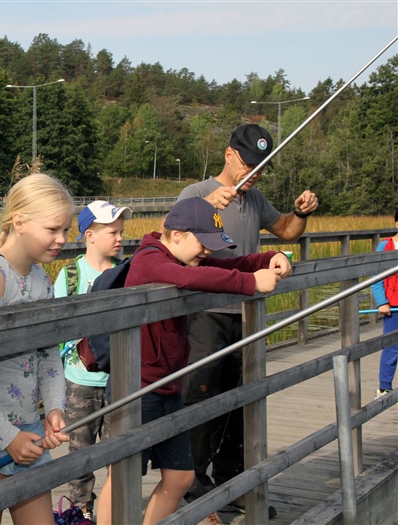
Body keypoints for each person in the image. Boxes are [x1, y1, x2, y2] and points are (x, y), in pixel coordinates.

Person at [95, 197, 291, 525]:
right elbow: (189, 279)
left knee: (181, 477)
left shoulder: (184, 258)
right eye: (203, 244)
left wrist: (271, 257)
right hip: (136, 387)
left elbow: (227, 266)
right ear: (176, 235)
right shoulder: (149, 260)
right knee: (123, 476)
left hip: (167, 384)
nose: (207, 252)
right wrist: (251, 283)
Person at [177, 124, 318, 512]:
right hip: (205, 314)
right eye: (249, 164)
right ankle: (191, 485)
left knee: (243, 399)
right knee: (200, 397)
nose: (254, 174)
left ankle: (234, 480)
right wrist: (210, 209)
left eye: (262, 167)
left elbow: (288, 232)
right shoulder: (197, 193)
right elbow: (172, 243)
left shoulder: (255, 199)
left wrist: (299, 212)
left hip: (247, 313)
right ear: (229, 155)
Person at [0, 173, 73, 525]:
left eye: (66, 230)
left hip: (29, 426)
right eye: (53, 229)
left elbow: (48, 353)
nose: (62, 240)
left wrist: (53, 407)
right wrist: (8, 438)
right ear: (19, 221)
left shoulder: (42, 279)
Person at [53, 200, 131, 522]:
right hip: (79, 380)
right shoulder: (70, 274)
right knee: (80, 450)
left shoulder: (125, 272)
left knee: (118, 450)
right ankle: (81, 509)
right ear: (90, 235)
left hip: (117, 379)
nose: (119, 238)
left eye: (121, 232)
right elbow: (56, 326)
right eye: (112, 232)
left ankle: (114, 510)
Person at [372, 208, 398, 398]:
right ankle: (384, 388)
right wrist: (382, 302)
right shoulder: (384, 247)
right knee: (391, 348)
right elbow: (376, 278)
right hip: (393, 307)